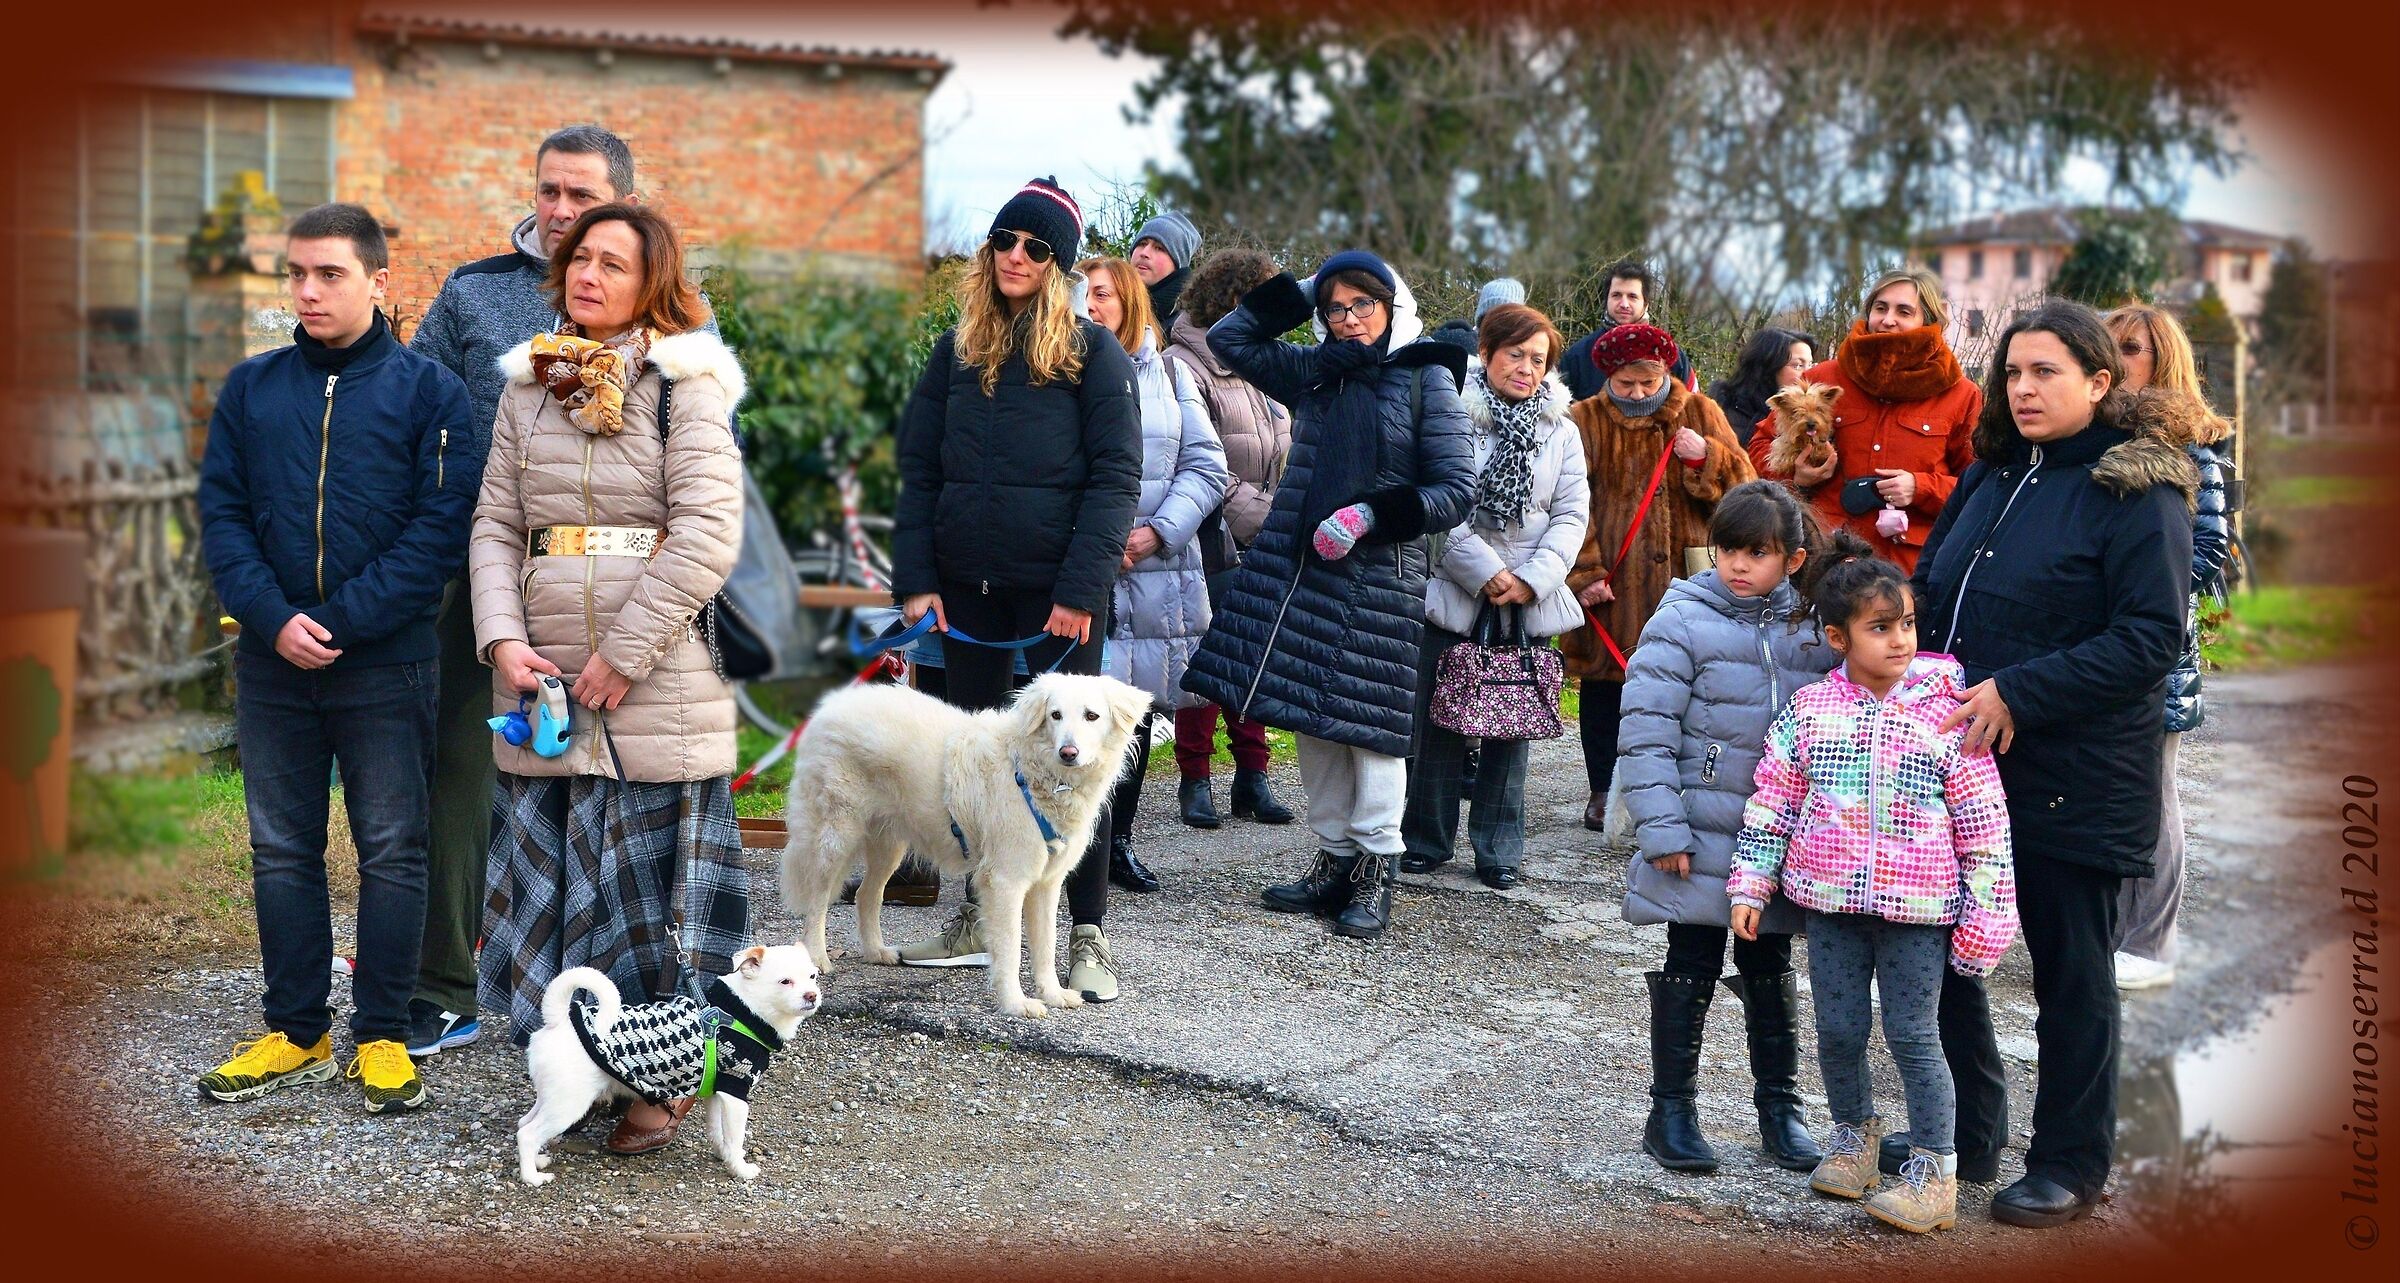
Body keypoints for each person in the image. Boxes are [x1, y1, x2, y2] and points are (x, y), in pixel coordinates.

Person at [472, 203, 748, 1157]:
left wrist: (622, 654)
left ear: (652, 284)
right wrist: (502, 642)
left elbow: (709, 534)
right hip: (543, 678)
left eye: (613, 264)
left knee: (644, 893)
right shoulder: (526, 387)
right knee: (557, 877)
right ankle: (576, 1063)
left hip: (655, 681)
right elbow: (496, 528)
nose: (588, 274)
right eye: (579, 258)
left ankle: (659, 1082)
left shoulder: (688, 384)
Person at [1911, 300, 2194, 1227]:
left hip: (2074, 769)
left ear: (2101, 382)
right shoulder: (1993, 470)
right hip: (1961, 765)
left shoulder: (2137, 490)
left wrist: (2019, 693)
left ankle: (2071, 1162)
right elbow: (1934, 587)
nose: (2023, 389)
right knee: (1944, 951)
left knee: (2071, 973)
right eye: (2013, 372)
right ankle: (1968, 1129)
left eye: (2046, 373)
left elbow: (2151, 637)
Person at [195, 202, 478, 1113]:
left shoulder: (432, 394)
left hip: (386, 662)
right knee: (282, 848)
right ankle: (297, 1029)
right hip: (273, 665)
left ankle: (385, 1035)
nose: (308, 292)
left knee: (394, 847)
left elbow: (439, 532)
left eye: (330, 275)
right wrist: (274, 620)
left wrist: (341, 623)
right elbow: (224, 516)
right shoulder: (252, 388)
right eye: (298, 275)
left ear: (379, 282)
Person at [407, 124, 647, 1059]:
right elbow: (409, 404)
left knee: (612, 784)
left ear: (622, 202)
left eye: (581, 196)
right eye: (548, 192)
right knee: (459, 775)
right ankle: (443, 985)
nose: (558, 212)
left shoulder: (669, 312)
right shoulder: (474, 292)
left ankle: (608, 993)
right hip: (482, 568)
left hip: (616, 582)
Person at [889, 178, 1142, 999]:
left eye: (1036, 248)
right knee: (970, 762)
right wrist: (917, 577)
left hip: (1059, 597)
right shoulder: (955, 349)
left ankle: (1089, 934)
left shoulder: (1093, 353)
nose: (1016, 257)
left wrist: (1079, 587)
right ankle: (975, 909)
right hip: (967, 592)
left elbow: (1116, 478)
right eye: (1004, 240)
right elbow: (918, 469)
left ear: (1060, 262)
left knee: (1080, 768)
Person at [1183, 249, 1477, 940]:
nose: (1347, 320)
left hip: (1376, 579)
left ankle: (1377, 867)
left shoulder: (1425, 376)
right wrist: (1311, 285)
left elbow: (1456, 490)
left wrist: (1371, 516)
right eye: (1335, 308)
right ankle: (1334, 856)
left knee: (1368, 729)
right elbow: (1229, 338)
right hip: (1304, 570)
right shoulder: (1316, 373)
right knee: (1312, 718)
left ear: (1391, 305)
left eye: (1362, 305)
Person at [1731, 551, 2018, 1234]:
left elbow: (1986, 825)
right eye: (1881, 627)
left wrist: (1987, 919)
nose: (1900, 640)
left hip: (1919, 913)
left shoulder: (1950, 713)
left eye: (1909, 624)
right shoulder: (1810, 710)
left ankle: (1933, 1171)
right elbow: (1774, 800)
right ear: (1838, 637)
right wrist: (1751, 880)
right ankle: (1853, 1136)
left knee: (1915, 1035)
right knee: (1837, 1029)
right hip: (1829, 904)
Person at [1614, 482, 1837, 1175]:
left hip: (1778, 838)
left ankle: (1781, 1107)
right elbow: (1646, 731)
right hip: (1699, 833)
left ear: (1793, 558)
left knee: (1771, 962)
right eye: (1728, 548)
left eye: (1758, 552)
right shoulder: (1681, 618)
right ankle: (1671, 1110)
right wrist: (1663, 830)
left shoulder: (1814, 629)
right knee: (1692, 961)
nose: (1738, 564)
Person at [1399, 303, 1588, 889]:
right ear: (1486, 353)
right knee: (1436, 722)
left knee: (1512, 723)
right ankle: (1426, 838)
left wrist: (1533, 578)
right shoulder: (1449, 412)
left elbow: (1572, 513)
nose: (1526, 368)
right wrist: (1484, 571)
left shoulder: (1563, 429)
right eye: (1515, 355)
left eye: (1538, 359)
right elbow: (1434, 502)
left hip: (1529, 598)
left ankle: (1499, 849)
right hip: (1457, 588)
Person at [1076, 254, 1232, 897]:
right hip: (1080, 569)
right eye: (1080, 295)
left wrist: (1155, 531)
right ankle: (1065, 851)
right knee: (1069, 714)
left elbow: (1208, 467)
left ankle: (1117, 845)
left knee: (1130, 715)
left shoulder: (1169, 374)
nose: (1091, 305)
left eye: (1104, 295)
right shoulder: (1054, 373)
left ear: (1131, 303)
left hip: (1153, 570)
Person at [1560, 324, 1754, 832]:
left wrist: (1705, 458)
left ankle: (1680, 786)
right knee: (1605, 687)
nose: (1639, 394)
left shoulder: (1701, 411)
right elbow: (1565, 503)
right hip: (1613, 583)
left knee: (1685, 685)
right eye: (1626, 385)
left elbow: (1747, 488)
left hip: (1685, 580)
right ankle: (1603, 787)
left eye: (1650, 382)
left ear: (1668, 372)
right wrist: (1585, 573)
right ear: (1608, 378)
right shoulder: (1583, 420)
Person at [2103, 302, 2235, 992]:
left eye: (2131, 346)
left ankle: (2151, 942)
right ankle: (2107, 931)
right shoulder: (2085, 437)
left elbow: (2209, 549)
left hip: (2156, 644)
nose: (2117, 355)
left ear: (2163, 360)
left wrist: (2133, 579)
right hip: (2092, 643)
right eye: (2109, 343)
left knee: (2153, 792)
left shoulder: (2192, 443)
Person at [1163, 249, 1297, 830]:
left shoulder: (1260, 364)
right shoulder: (1182, 364)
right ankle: (1195, 777)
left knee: (1252, 654)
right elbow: (1196, 462)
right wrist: (1268, 518)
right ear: (1234, 302)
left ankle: (1253, 774)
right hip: (1208, 536)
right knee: (1203, 656)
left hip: (1263, 529)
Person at [1747, 268, 1978, 570]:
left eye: (1904, 311)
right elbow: (1758, 449)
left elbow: (1977, 486)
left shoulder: (1960, 394)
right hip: (1826, 558)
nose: (1888, 319)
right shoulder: (1822, 380)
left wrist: (1921, 488)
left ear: (1929, 320)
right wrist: (1796, 477)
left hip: (1908, 569)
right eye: (1880, 308)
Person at [1559, 260, 1697, 400]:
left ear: (1646, 304)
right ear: (1606, 300)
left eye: (1632, 296)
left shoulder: (1670, 355)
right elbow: (1561, 415)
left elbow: (1695, 409)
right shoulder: (1577, 357)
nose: (1624, 304)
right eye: (1616, 295)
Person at [1709, 327, 1815, 448]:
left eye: (1811, 364)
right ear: (1768, 368)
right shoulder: (1723, 412)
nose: (1809, 373)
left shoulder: (1816, 415)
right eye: (1798, 365)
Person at [1130, 210, 1202, 324]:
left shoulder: (1190, 322)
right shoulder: (1105, 304)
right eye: (1142, 243)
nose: (1145, 253)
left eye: (1159, 248)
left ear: (1177, 263)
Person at [1427, 277, 1527, 354]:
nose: (1500, 325)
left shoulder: (1529, 351)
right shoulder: (1461, 344)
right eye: (1493, 316)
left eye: (1508, 318)